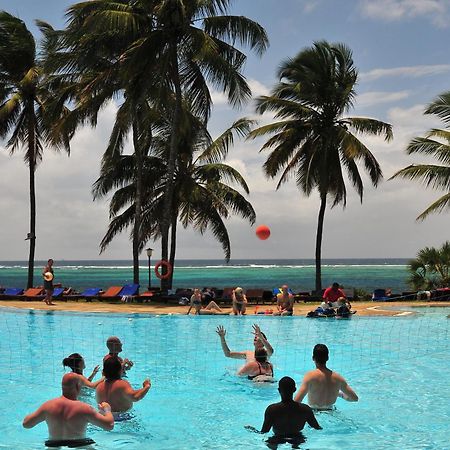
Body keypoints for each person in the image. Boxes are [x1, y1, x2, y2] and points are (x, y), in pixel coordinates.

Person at [23, 373, 114, 447]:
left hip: (53, 446)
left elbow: (26, 424)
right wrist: (107, 410)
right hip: (80, 445)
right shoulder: (84, 408)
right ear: (78, 387)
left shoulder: (48, 406)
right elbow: (109, 425)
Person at [246, 376, 321, 449]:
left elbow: (264, 432)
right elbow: (317, 428)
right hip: (298, 438)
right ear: (294, 389)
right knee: (298, 444)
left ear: (279, 390)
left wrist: (252, 430)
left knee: (271, 444)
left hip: (277, 438)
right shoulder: (305, 409)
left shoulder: (272, 409)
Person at [294, 344, 358, 410]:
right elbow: (354, 398)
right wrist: (340, 394)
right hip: (331, 411)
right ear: (327, 358)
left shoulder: (310, 376)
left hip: (314, 413)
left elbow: (296, 401)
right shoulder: (338, 378)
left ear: (313, 358)